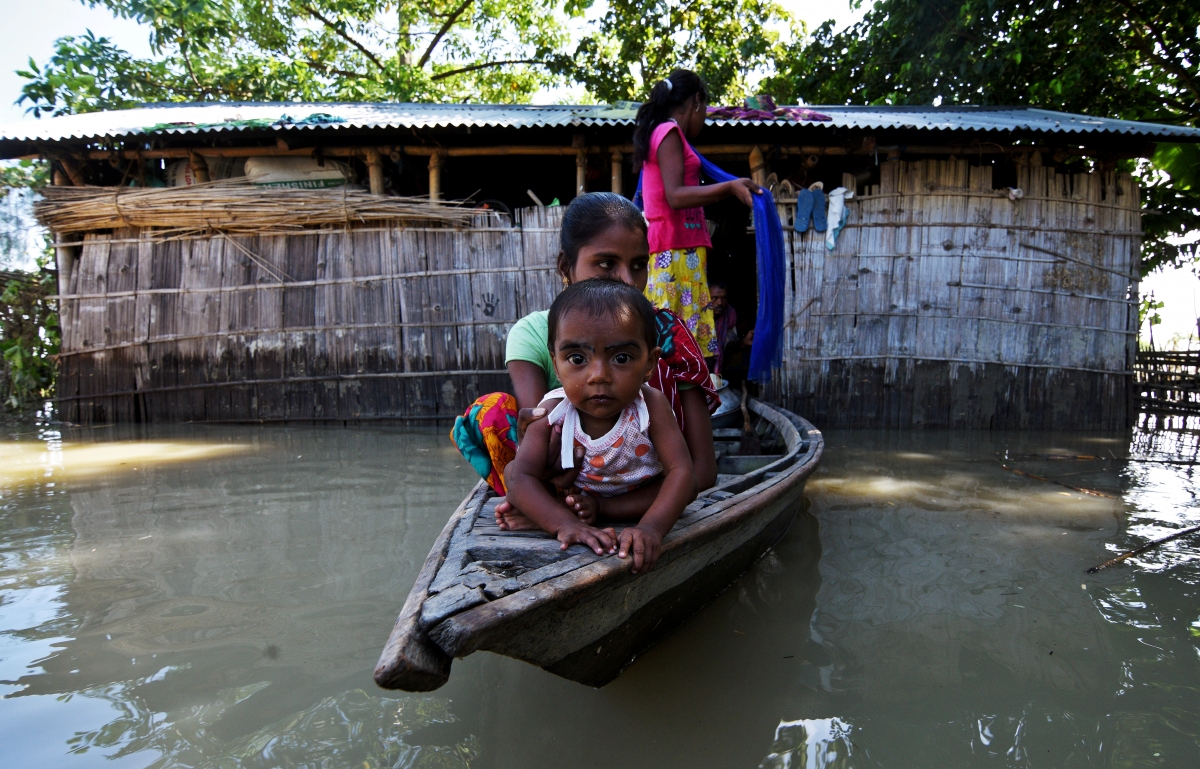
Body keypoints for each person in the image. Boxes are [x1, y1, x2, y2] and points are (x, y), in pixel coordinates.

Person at [451, 192, 717, 524]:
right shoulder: (534, 333)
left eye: (638, 265)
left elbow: (701, 472)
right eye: (606, 263)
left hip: (656, 484)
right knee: (492, 411)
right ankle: (547, 508)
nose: (627, 281)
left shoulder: (667, 334)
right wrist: (557, 508)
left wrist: (624, 514)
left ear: (648, 362)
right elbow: (546, 450)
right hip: (561, 478)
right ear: (565, 266)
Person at [504, 279, 696, 574]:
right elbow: (519, 477)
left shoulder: (650, 406)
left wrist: (652, 528)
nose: (598, 376)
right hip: (578, 503)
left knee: (681, 490)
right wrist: (565, 525)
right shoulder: (553, 413)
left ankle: (577, 513)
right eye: (577, 359)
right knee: (525, 482)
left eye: (621, 358)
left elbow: (682, 473)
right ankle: (555, 515)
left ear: (649, 364)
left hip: (642, 503)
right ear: (556, 365)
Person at [633, 68, 761, 360]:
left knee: (677, 343)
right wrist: (730, 187)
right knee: (672, 346)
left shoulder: (663, 133)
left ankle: (676, 402)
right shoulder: (669, 132)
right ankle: (672, 402)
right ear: (697, 101)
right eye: (704, 110)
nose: (703, 118)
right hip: (674, 252)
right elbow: (675, 195)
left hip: (680, 253)